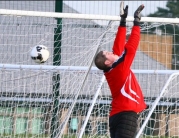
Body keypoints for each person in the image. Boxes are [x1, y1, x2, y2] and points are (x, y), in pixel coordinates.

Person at [94, 2, 147, 138]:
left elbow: (117, 49)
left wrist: (122, 22)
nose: (111, 52)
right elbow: (131, 47)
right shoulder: (119, 68)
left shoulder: (113, 69)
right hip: (126, 115)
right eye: (108, 53)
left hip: (118, 115)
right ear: (107, 61)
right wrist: (136, 22)